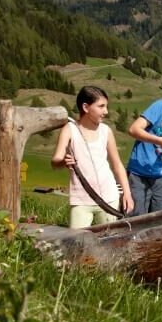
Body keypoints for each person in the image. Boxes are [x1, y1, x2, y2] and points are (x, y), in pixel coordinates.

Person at [51, 86, 134, 229]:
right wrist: (63, 161)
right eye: (101, 106)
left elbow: (117, 165)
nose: (106, 112)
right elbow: (55, 161)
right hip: (81, 199)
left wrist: (127, 193)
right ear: (86, 107)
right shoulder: (70, 129)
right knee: (77, 243)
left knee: (111, 242)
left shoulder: (105, 131)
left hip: (109, 197)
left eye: (106, 106)